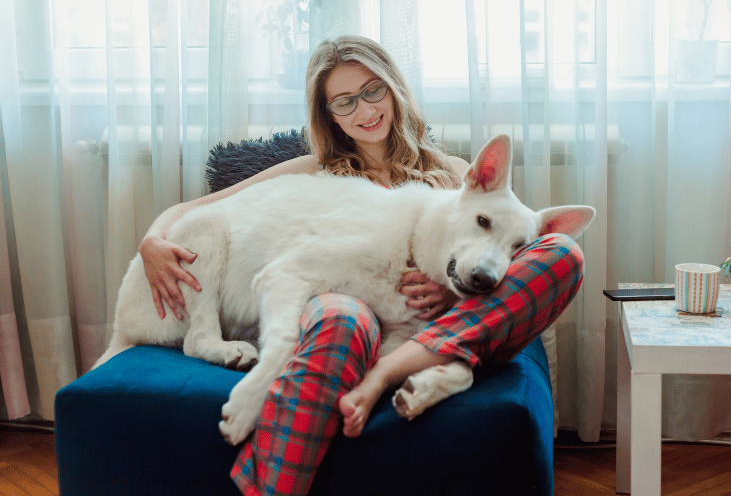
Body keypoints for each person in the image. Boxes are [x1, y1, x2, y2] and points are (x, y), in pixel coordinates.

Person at [138, 35, 585, 496]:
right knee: (342, 320)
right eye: (345, 102)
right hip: (339, 297)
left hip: (432, 319)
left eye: (373, 91)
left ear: (393, 88)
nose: (365, 110)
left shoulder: (454, 172)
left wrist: (451, 290)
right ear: (329, 114)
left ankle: (413, 364)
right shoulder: (312, 169)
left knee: (561, 254)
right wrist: (152, 239)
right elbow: (201, 208)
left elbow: (505, 245)